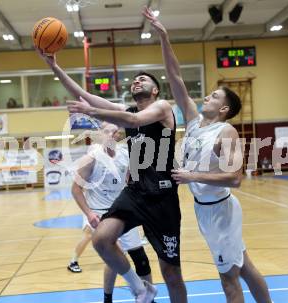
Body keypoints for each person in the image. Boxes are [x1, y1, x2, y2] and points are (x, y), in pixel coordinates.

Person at [143, 7, 272, 303]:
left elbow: (235, 179)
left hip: (222, 211)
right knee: (244, 267)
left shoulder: (225, 132)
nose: (206, 96)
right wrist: (163, 36)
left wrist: (191, 175)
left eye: (214, 96)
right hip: (204, 210)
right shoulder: (193, 120)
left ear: (224, 109)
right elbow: (174, 75)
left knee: (228, 278)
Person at [38, 52, 187, 302]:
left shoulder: (162, 108)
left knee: (171, 273)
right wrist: (55, 67)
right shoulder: (127, 110)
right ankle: (141, 289)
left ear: (155, 91)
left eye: (144, 80)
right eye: (135, 80)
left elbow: (133, 119)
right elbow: (85, 96)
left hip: (162, 197)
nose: (137, 82)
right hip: (135, 192)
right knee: (101, 239)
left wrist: (92, 111)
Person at [69, 122, 154, 303]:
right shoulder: (91, 159)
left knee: (141, 258)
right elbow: (76, 189)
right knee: (114, 259)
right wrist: (89, 213)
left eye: (115, 132)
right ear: (100, 134)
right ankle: (108, 298)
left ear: (119, 136)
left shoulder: (125, 155)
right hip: (100, 215)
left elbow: (133, 181)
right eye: (106, 131)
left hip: (122, 211)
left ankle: (148, 298)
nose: (111, 134)